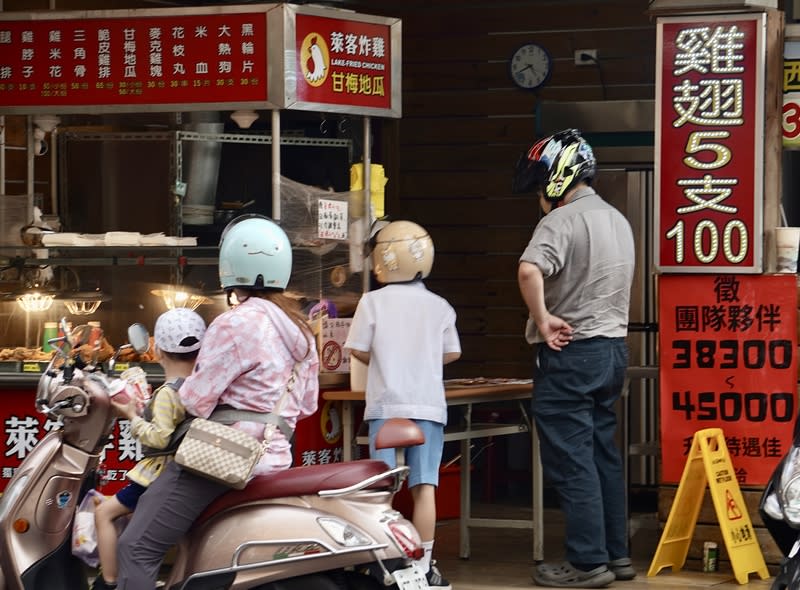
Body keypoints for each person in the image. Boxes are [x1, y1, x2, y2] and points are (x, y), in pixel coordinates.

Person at [114, 215, 320, 590]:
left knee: (136, 547)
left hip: (219, 459)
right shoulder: (301, 331)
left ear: (231, 267)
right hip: (274, 457)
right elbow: (306, 406)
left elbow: (194, 400)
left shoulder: (233, 323)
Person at [513, 129, 636, 588]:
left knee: (572, 459)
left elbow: (529, 268)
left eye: (539, 185)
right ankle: (616, 555)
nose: (538, 197)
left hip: (570, 353)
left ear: (557, 178)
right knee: (603, 455)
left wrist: (543, 319)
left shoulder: (559, 221)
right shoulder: (617, 219)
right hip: (613, 352)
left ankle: (587, 563)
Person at [344, 220, 462, 590]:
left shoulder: (372, 302)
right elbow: (453, 352)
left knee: (383, 491)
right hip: (427, 408)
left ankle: (386, 562)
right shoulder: (439, 305)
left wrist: (386, 359)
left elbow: (358, 348)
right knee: (424, 487)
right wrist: (421, 360)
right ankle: (424, 566)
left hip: (385, 408)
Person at [91, 307, 207, 590]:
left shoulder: (169, 392)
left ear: (157, 353)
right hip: (186, 473)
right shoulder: (200, 386)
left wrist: (132, 415)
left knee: (104, 514)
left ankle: (109, 581)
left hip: (158, 474)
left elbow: (159, 438)